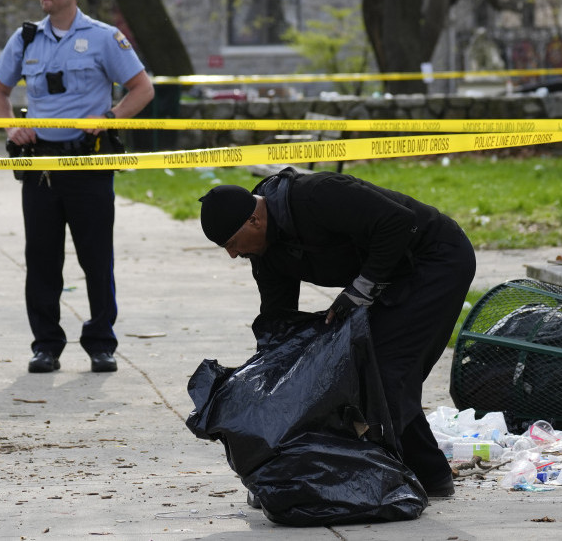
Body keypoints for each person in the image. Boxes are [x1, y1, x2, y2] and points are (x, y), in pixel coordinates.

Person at [197, 167, 476, 498]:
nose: (232, 255)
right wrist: (269, 381)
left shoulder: (317, 195)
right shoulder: (265, 252)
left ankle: (408, 477)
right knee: (359, 371)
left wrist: (358, 292)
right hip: (390, 274)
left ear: (254, 221)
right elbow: (278, 318)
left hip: (434, 261)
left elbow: (398, 223)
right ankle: (418, 473)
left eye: (231, 243)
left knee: (385, 373)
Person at [0, 0, 154, 374]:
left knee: (96, 257)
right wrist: (11, 128)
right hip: (41, 166)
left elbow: (142, 88)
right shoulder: (25, 39)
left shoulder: (103, 37)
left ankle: (101, 342)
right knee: (42, 259)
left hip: (87, 162)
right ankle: (46, 345)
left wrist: (111, 119)